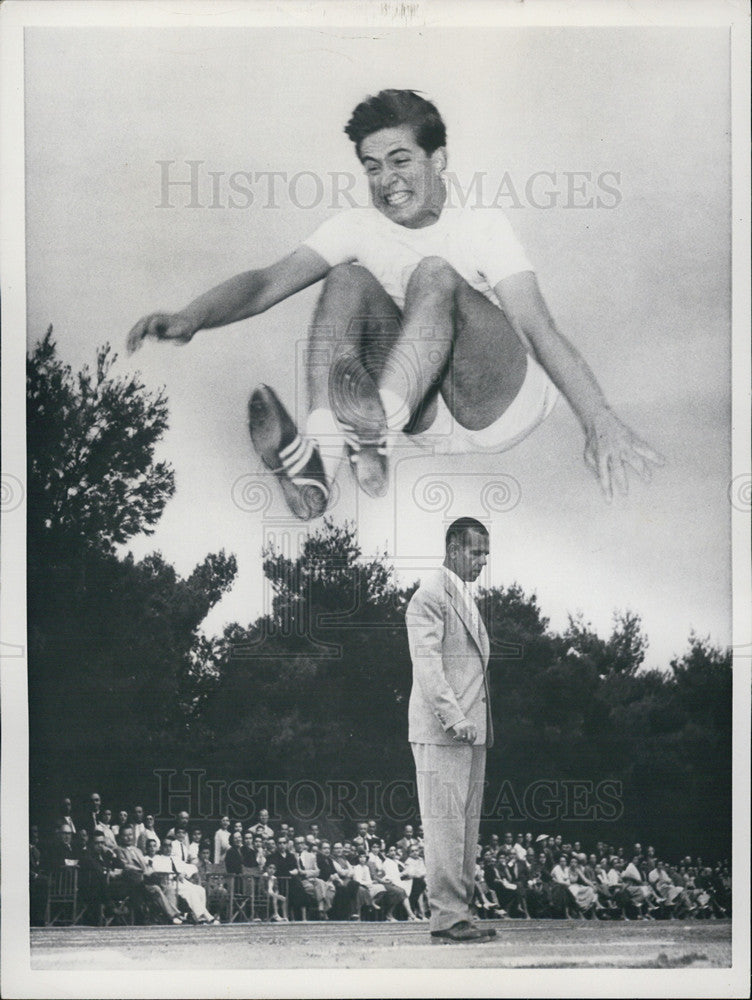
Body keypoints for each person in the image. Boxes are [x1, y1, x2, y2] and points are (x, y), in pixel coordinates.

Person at [127, 89, 663, 522]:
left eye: (400, 160)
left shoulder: (482, 227)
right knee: (347, 278)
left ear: (439, 160)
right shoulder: (357, 226)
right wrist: (193, 316)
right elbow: (268, 282)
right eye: (373, 167)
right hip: (420, 408)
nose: (387, 181)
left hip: (499, 401)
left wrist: (598, 419)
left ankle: (372, 428)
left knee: (434, 274)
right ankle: (321, 463)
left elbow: (537, 326)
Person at [405, 517, 496, 944]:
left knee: (465, 828)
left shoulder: (464, 597)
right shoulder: (429, 596)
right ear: (453, 548)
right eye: (475, 552)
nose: (482, 560)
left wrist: (472, 724)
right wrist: (454, 716)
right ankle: (446, 917)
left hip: (471, 733)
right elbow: (428, 665)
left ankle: (461, 913)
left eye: (485, 553)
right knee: (444, 825)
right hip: (445, 730)